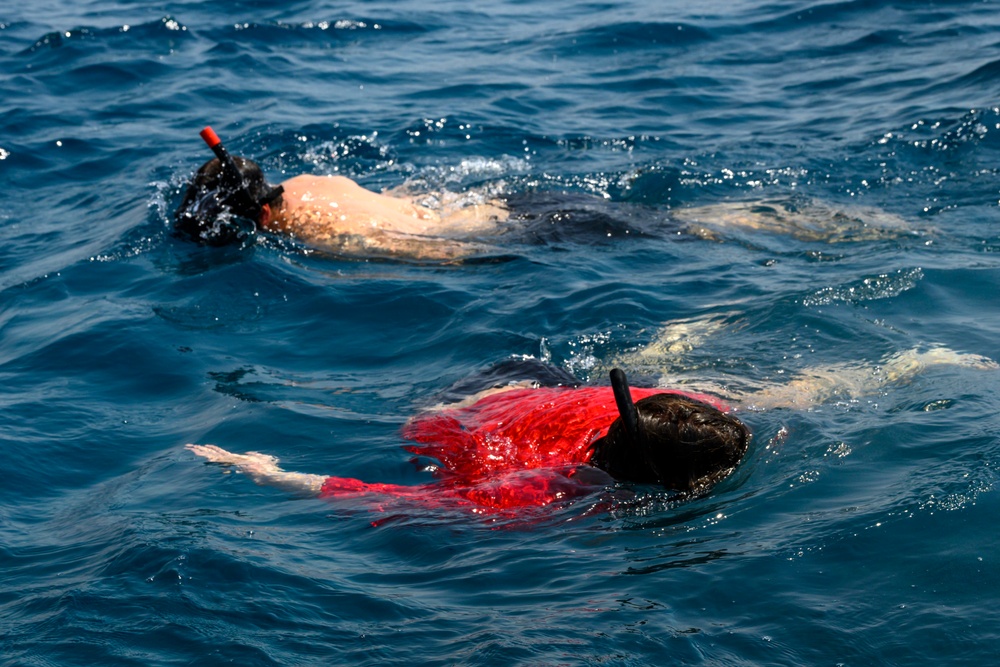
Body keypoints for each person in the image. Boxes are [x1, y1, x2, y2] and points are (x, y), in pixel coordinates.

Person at [186, 363, 752, 513]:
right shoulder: (538, 490)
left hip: (515, 381)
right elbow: (394, 499)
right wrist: (268, 472)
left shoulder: (682, 410)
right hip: (447, 424)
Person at [175, 127, 507, 261]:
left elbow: (449, 253)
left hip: (488, 225)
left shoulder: (326, 234)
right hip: (454, 201)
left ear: (263, 215)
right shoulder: (300, 182)